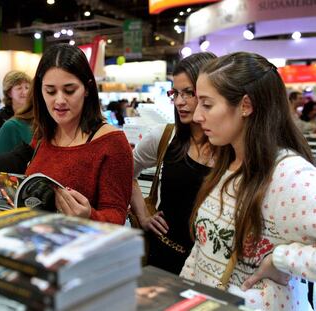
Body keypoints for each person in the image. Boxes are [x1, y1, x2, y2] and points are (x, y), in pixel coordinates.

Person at [180, 52, 316, 310]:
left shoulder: (289, 176)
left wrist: (282, 259)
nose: (197, 116)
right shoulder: (226, 163)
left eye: (207, 105)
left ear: (245, 105)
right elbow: (201, 251)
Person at [25, 43, 133, 225]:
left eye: (69, 90)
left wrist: (89, 216)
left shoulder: (111, 143)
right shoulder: (43, 136)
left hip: (84, 249)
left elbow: (116, 215)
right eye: (50, 91)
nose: (59, 100)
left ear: (87, 89)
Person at [130, 52, 217, 274]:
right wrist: (143, 216)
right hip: (162, 258)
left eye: (189, 93)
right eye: (175, 93)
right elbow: (125, 171)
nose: (179, 101)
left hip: (209, 266)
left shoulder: (229, 146)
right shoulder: (165, 136)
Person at [0, 71, 31, 159]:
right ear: (9, 93)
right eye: (19, 88)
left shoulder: (34, 116)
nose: (24, 92)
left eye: (27, 87)